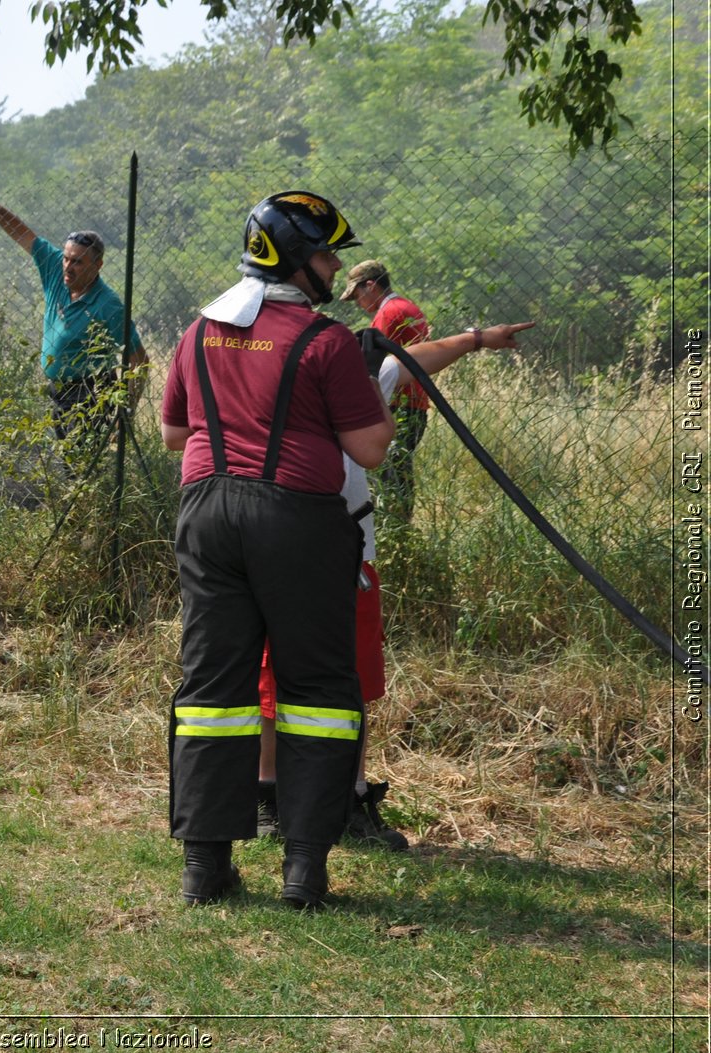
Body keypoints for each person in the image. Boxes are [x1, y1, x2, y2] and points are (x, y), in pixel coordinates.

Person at [160, 190, 394, 909]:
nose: (334, 268)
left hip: (206, 515)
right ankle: (303, 870)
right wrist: (362, 384)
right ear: (295, 259)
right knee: (318, 690)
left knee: (212, 690)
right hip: (297, 521)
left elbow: (175, 435)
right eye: (327, 254)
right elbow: (372, 447)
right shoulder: (324, 343)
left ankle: (206, 867)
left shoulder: (198, 331)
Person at [255, 320, 538, 851]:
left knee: (353, 680)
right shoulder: (272, 375)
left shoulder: (358, 378)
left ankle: (349, 799)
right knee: (274, 678)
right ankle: (268, 797)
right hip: (284, 550)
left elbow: (411, 360)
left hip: (351, 558)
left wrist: (476, 339)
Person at [0, 183, 144, 455]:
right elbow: (23, 234)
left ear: (97, 265)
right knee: (70, 462)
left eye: (78, 262)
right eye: (67, 259)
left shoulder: (109, 306)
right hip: (58, 391)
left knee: (81, 463)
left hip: (91, 392)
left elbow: (139, 359)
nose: (68, 266)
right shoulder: (57, 270)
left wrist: (126, 413)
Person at [342, 261, 430, 523]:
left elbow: (372, 365)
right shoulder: (408, 307)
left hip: (398, 404)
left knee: (390, 473)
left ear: (370, 285)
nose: (359, 302)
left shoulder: (389, 313)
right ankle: (400, 524)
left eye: (358, 295)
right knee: (400, 471)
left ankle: (394, 526)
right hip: (416, 403)